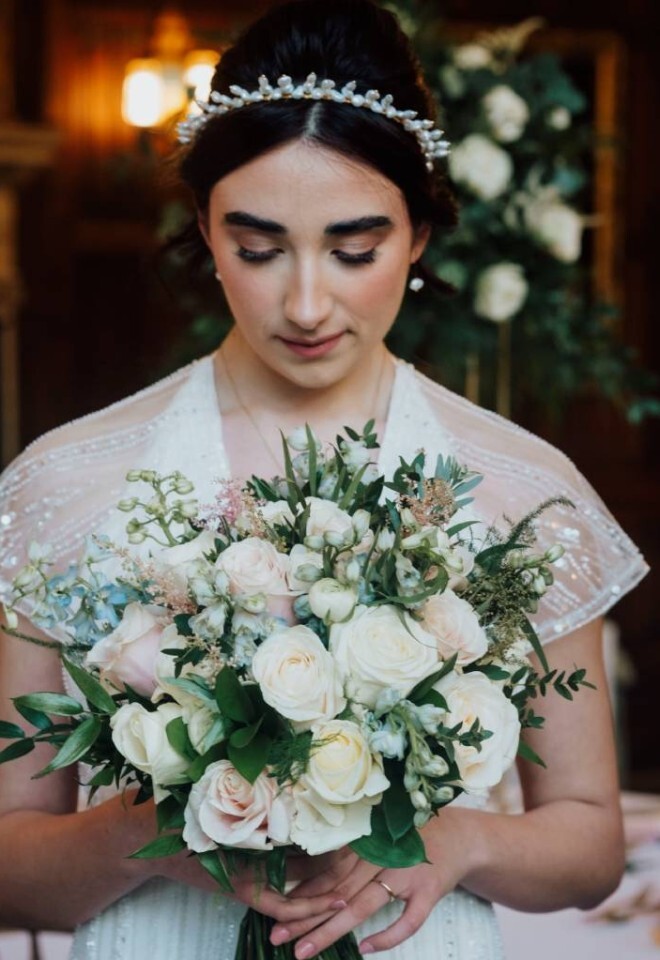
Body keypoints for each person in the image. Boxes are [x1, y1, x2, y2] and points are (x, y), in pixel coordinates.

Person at [0, 1, 648, 958]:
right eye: (259, 249)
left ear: (420, 234)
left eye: (356, 250)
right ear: (206, 231)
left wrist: (452, 839)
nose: (307, 303)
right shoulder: (63, 484)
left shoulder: (523, 492)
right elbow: (12, 865)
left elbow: (590, 839)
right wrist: (166, 829)